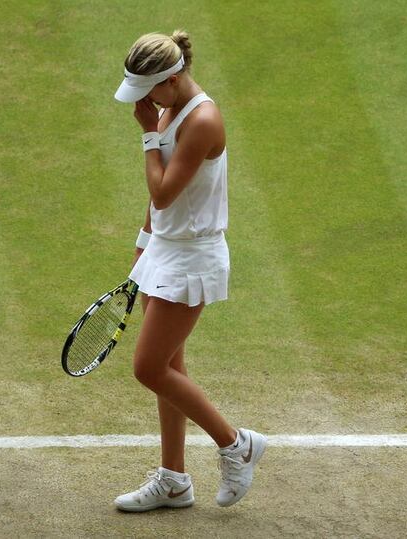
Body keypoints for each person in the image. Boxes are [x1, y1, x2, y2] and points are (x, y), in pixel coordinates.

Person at [112, 30, 266, 512]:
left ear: (174, 79)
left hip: (194, 256)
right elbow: (157, 205)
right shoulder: (168, 108)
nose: (142, 102)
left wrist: (147, 135)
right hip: (165, 248)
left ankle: (235, 443)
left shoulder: (203, 120)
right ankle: (174, 480)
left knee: (148, 367)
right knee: (170, 367)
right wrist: (143, 242)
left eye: (149, 91)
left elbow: (162, 191)